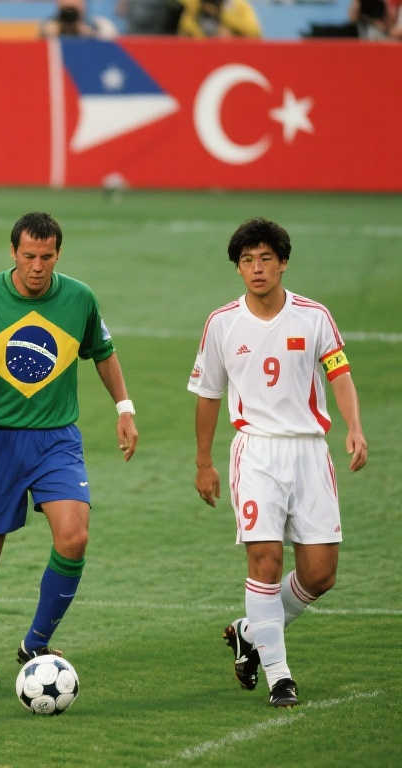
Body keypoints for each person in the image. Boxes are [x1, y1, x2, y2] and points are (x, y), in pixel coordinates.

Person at [0, 211, 138, 669]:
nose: (37, 266)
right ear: (13, 252)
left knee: (74, 537)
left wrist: (124, 408)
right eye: (29, 256)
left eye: (46, 257)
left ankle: (36, 643)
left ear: (58, 254)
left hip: (56, 440)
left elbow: (104, 353)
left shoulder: (79, 299)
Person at [189, 218, 368, 708]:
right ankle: (279, 677)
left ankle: (251, 633)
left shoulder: (313, 317)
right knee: (265, 560)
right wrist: (203, 462)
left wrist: (354, 427)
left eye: (265, 259)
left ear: (283, 263)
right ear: (238, 268)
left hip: (310, 452)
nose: (256, 268)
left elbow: (340, 374)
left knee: (320, 574)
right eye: (247, 261)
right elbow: (207, 395)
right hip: (257, 451)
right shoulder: (222, 323)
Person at [177, 0, 261, 37]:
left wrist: (221, 14)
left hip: (231, 53)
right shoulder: (194, 4)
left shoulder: (239, 5)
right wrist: (203, 39)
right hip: (201, 52)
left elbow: (254, 32)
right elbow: (185, 26)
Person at [40, 0, 120, 38]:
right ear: (58, 3)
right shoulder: (47, 28)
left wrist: (92, 35)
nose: (71, 2)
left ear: (84, 2)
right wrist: (47, 36)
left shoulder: (102, 26)